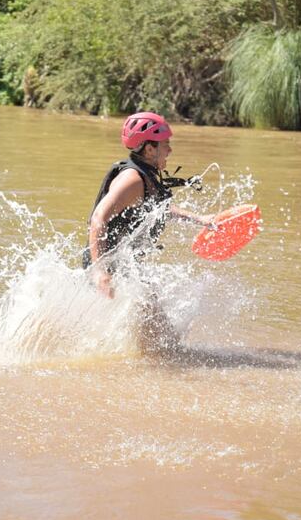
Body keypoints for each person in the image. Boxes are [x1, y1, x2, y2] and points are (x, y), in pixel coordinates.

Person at [84, 111, 214, 355]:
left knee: (160, 340)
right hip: (109, 268)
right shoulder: (132, 179)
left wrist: (201, 220)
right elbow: (99, 217)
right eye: (166, 144)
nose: (170, 150)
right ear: (150, 149)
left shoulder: (145, 177)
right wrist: (100, 271)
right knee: (163, 346)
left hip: (123, 267)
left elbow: (158, 208)